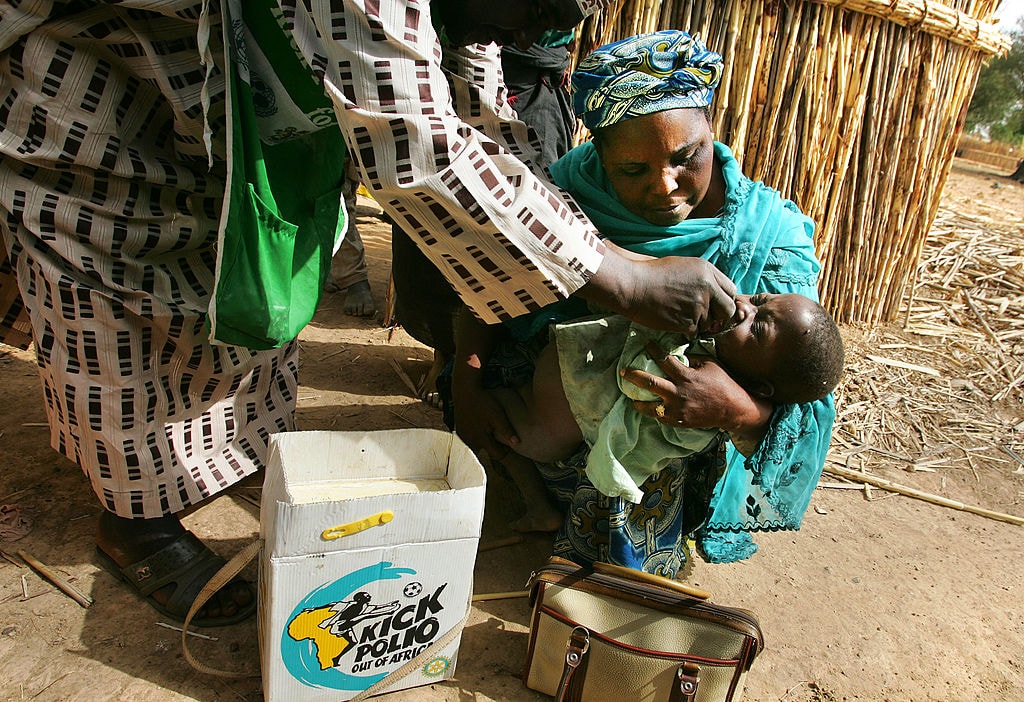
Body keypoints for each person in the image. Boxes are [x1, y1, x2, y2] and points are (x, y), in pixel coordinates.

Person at [0, 3, 737, 626]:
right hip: (105, 84)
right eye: (542, 6)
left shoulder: (468, 20)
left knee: (246, 282)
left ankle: (218, 462)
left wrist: (603, 253)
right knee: (122, 274)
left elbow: (485, 128)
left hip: (230, 110)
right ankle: (136, 522)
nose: (548, 24)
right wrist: (619, 277)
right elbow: (414, 146)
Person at [451, 29, 838, 576]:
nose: (664, 186)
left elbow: (805, 387)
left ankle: (614, 550)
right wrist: (465, 380)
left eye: (688, 157)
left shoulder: (767, 235)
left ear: (710, 129)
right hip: (547, 405)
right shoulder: (561, 192)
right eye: (631, 170)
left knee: (658, 438)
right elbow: (489, 285)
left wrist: (735, 410)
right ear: (600, 154)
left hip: (669, 421)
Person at [468, 292, 843, 530]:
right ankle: (543, 509)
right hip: (550, 392)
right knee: (491, 410)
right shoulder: (713, 350)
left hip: (545, 426)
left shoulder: (700, 395)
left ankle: (538, 505)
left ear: (761, 390)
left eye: (757, 328)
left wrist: (665, 327)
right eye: (760, 299)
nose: (744, 307)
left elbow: (636, 383)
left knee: (502, 433)